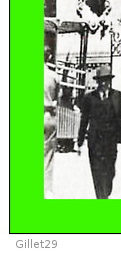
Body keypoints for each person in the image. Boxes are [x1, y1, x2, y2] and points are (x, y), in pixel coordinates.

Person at [76, 64, 121, 199]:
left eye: (106, 80)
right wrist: (80, 140)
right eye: (101, 80)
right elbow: (84, 120)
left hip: (111, 140)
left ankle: (106, 191)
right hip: (95, 140)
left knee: (110, 171)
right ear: (97, 81)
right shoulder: (89, 98)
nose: (104, 83)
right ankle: (101, 197)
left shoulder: (117, 96)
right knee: (97, 170)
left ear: (110, 80)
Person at [44, 41, 59, 198]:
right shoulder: (53, 76)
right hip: (48, 115)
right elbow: (57, 100)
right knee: (48, 154)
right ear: (49, 57)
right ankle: (47, 189)